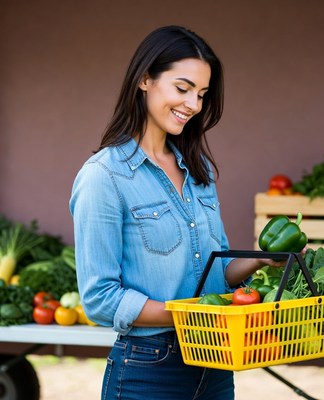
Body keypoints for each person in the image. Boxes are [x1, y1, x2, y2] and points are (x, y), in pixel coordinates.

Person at [69, 25, 276, 400]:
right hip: (148, 370)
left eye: (201, 94)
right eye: (182, 89)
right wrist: (193, 315)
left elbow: (216, 271)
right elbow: (100, 298)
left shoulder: (200, 171)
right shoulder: (104, 177)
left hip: (215, 365)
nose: (193, 105)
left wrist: (262, 260)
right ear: (145, 79)